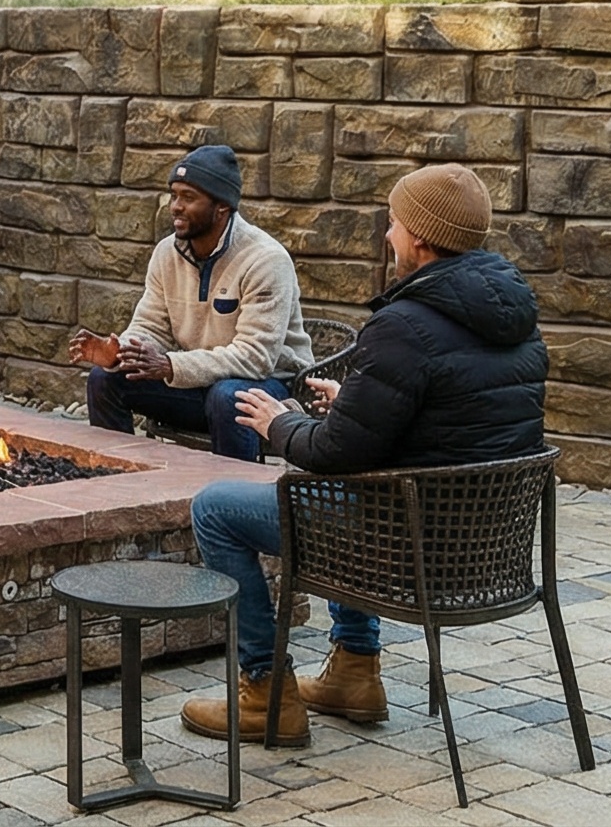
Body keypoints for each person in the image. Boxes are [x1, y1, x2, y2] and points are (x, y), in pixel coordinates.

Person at [180, 162, 547, 747]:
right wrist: (354, 401)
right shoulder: (519, 324)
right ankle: (354, 671)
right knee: (339, 489)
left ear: (422, 240)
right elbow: (448, 424)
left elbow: (333, 452)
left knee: (217, 508)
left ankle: (263, 693)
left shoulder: (405, 325)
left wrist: (280, 424)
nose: (387, 235)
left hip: (406, 551)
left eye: (395, 223)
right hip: (483, 551)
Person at [74, 144, 315, 461]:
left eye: (189, 197)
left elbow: (256, 359)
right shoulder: (166, 253)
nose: (175, 206)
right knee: (105, 379)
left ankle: (232, 500)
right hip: (197, 383)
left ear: (221, 208)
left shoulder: (266, 260)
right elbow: (150, 326)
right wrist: (121, 351)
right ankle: (120, 486)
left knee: (230, 396)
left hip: (270, 390)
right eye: (174, 195)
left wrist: (171, 365)